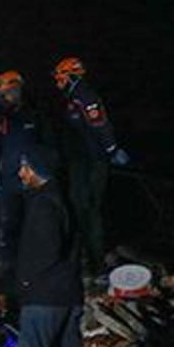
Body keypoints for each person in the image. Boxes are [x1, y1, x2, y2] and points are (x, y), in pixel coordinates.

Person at [15, 144, 103, 347]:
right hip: (67, 292)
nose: (21, 174)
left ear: (36, 170)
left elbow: (45, 250)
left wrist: (25, 283)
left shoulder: (44, 204)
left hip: (45, 295)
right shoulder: (63, 200)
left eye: (25, 168)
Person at [53, 55, 130, 280]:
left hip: (92, 162)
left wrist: (112, 149)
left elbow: (100, 124)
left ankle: (97, 264)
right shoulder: (71, 98)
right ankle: (87, 260)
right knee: (79, 210)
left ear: (72, 75)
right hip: (80, 162)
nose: (58, 80)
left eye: (61, 75)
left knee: (90, 211)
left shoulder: (84, 96)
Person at [0, 70, 37, 288]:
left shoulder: (34, 114)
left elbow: (45, 145)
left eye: (7, 93)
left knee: (33, 227)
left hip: (32, 180)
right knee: (8, 229)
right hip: (8, 180)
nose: (4, 98)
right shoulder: (2, 118)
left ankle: (33, 272)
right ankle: (7, 275)